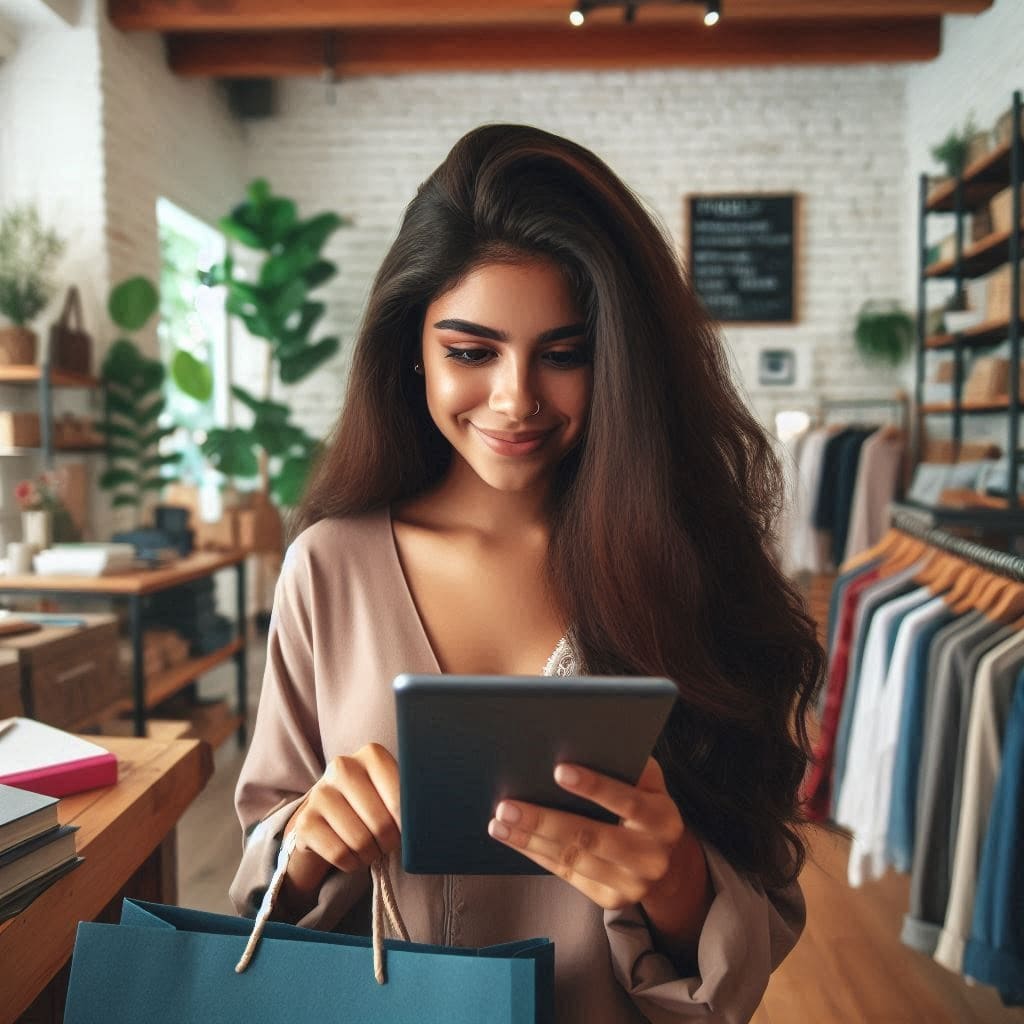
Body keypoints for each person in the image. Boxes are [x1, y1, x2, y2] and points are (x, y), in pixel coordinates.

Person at [230, 123, 824, 1023]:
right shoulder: (330, 567)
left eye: (565, 352)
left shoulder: (692, 567)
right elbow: (261, 872)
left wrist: (672, 880)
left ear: (622, 360)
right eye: (470, 352)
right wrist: (306, 840)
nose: (516, 399)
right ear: (411, 351)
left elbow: (762, 916)